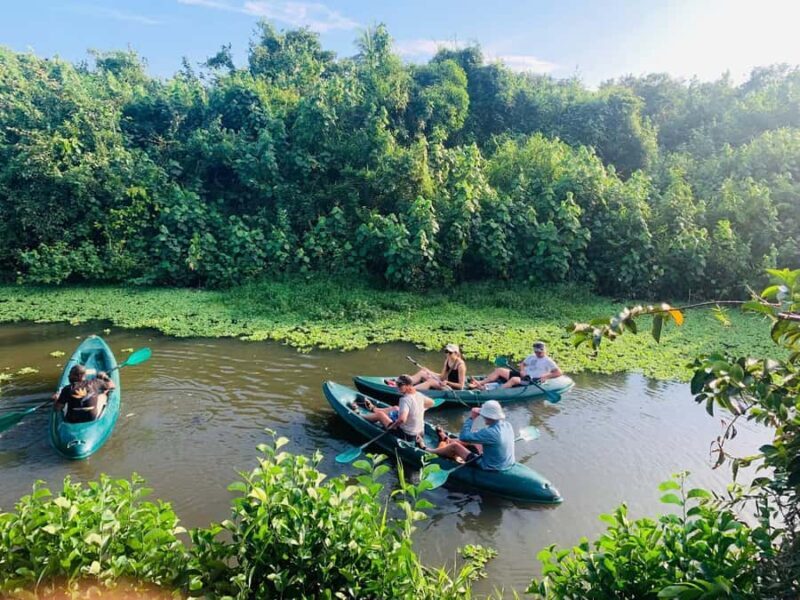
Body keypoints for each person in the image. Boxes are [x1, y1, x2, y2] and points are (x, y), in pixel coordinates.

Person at [425, 400, 514, 471]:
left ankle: (430, 451)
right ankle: (447, 439)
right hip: (507, 463)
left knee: (455, 446)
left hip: (489, 466)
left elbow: (463, 436)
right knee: (476, 438)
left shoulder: (490, 432)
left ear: (488, 416)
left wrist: (472, 418)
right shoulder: (507, 425)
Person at [359, 375, 434, 443]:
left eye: (400, 385)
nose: (398, 387)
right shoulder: (419, 395)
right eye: (398, 384)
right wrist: (418, 409)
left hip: (407, 435)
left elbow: (402, 419)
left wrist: (393, 426)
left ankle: (360, 416)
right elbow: (432, 403)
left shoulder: (405, 400)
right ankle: (374, 409)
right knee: (396, 408)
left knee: (380, 415)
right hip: (420, 433)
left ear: (408, 386)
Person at [469, 341, 561, 390]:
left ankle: (489, 390)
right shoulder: (532, 356)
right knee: (499, 370)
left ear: (544, 351)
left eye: (539, 352)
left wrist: (546, 376)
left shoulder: (548, 361)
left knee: (514, 379)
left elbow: (558, 373)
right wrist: (522, 370)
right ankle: (480, 383)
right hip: (523, 375)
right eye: (536, 351)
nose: (537, 353)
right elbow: (523, 364)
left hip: (533, 380)